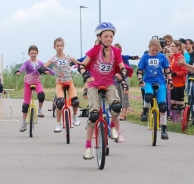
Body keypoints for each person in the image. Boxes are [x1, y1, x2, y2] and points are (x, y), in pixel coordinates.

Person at [78, 22, 129, 159]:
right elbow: (82, 65)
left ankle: (112, 126)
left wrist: (122, 73)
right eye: (106, 36)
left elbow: (122, 66)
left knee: (117, 106)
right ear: (99, 37)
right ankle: (88, 147)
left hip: (109, 84)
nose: (109, 39)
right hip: (94, 85)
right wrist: (85, 74)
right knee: (94, 115)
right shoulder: (94, 50)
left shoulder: (116, 51)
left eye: (111, 36)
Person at [138, 38, 173, 139]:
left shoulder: (162, 56)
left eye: (157, 50)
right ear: (149, 48)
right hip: (148, 81)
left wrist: (170, 80)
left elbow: (167, 69)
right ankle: (145, 110)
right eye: (153, 50)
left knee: (162, 106)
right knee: (148, 96)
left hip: (160, 82)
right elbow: (140, 71)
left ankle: (164, 128)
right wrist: (140, 80)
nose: (155, 52)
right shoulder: (145, 57)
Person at [44, 37, 81, 132]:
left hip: (69, 81)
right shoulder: (53, 58)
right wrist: (42, 69)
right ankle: (58, 124)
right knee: (60, 103)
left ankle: (75, 116)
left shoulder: (68, 56)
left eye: (61, 45)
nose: (59, 47)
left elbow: (78, 62)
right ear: (54, 47)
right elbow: (45, 65)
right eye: (58, 46)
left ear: (63, 46)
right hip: (59, 83)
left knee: (75, 101)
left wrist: (81, 66)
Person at [15, 45, 54, 132]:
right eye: (31, 53)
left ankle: (40, 110)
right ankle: (24, 123)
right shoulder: (26, 63)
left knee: (41, 95)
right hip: (27, 84)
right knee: (25, 105)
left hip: (37, 82)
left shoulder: (40, 63)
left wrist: (55, 74)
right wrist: (19, 71)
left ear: (37, 53)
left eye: (35, 53)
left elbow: (47, 69)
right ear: (29, 53)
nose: (33, 55)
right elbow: (22, 68)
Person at [113, 43, 138, 121]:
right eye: (115, 48)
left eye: (118, 48)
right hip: (116, 79)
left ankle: (123, 115)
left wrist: (137, 57)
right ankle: (118, 113)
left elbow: (130, 57)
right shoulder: (112, 59)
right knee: (118, 97)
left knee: (124, 97)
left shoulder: (123, 58)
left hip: (124, 78)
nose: (117, 50)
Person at [169, 40, 187, 112]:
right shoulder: (173, 56)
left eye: (173, 46)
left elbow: (185, 71)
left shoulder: (180, 57)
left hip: (179, 82)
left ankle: (183, 119)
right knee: (173, 105)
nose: (171, 48)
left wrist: (176, 73)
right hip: (173, 82)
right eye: (171, 46)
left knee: (179, 106)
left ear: (178, 47)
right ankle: (177, 120)